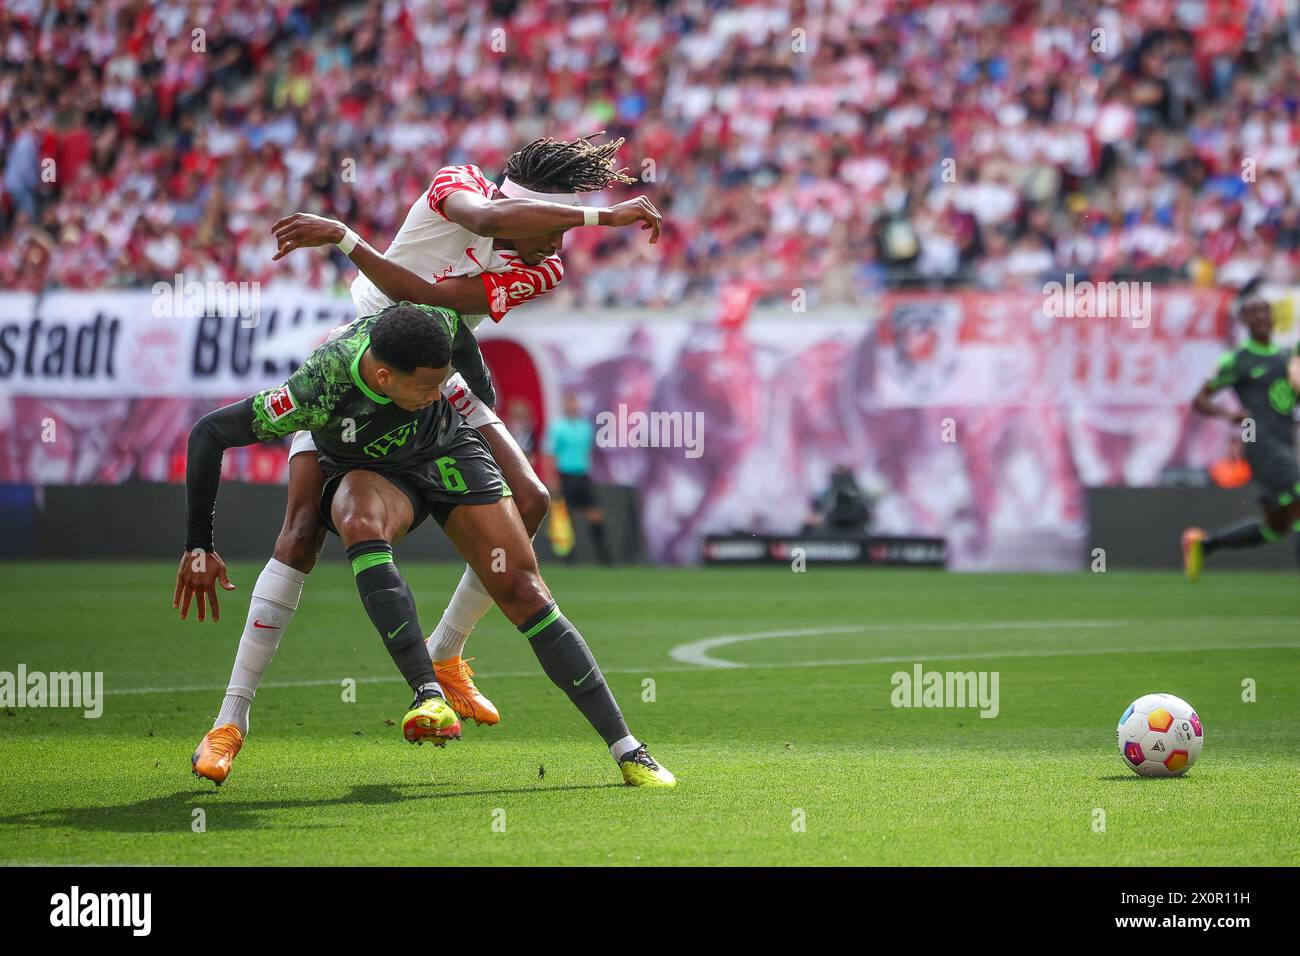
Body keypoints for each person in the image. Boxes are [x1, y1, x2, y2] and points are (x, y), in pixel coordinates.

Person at [192, 134, 663, 780]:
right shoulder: (459, 185)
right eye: (549, 227)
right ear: (526, 207)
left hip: (435, 368)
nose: (557, 249)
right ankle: (229, 721)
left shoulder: (544, 267)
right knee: (302, 532)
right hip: (364, 360)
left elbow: (441, 303)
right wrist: (605, 216)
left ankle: (447, 653)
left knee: (529, 500)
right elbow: (490, 223)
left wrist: (352, 243)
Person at [175, 301, 675, 788]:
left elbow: (456, 329)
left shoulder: (432, 330)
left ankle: (627, 747)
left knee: (523, 586)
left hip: (445, 446)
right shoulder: (317, 388)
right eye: (426, 385)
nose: (435, 392)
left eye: (441, 382)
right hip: (362, 463)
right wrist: (200, 545)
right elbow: (208, 433)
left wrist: (478, 403)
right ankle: (250, 718)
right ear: (386, 377)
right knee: (344, 526)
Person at [1182, 292, 1300, 579]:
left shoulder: (1286, 357)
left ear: (1273, 317)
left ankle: (1204, 545)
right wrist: (1229, 416)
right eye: (1253, 312)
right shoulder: (1237, 359)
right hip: (1260, 443)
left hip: (1283, 442)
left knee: (1277, 527)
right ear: (1244, 320)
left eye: (1265, 311)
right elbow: (1199, 399)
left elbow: (1287, 400)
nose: (1260, 317)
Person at [545, 393, 611, 565]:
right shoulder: (558, 428)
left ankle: (603, 557)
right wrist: (552, 478)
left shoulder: (585, 428)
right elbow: (550, 455)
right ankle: (568, 559)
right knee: (567, 518)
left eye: (575, 403)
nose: (573, 407)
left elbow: (589, 452)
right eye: (569, 403)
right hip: (565, 475)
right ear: (565, 407)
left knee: (595, 514)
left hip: (582, 475)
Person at [803, 465, 872, 536]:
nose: (839, 481)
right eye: (836, 477)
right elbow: (813, 515)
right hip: (829, 532)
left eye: (842, 477)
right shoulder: (825, 495)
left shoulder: (858, 495)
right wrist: (822, 518)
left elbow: (867, 517)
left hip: (855, 533)